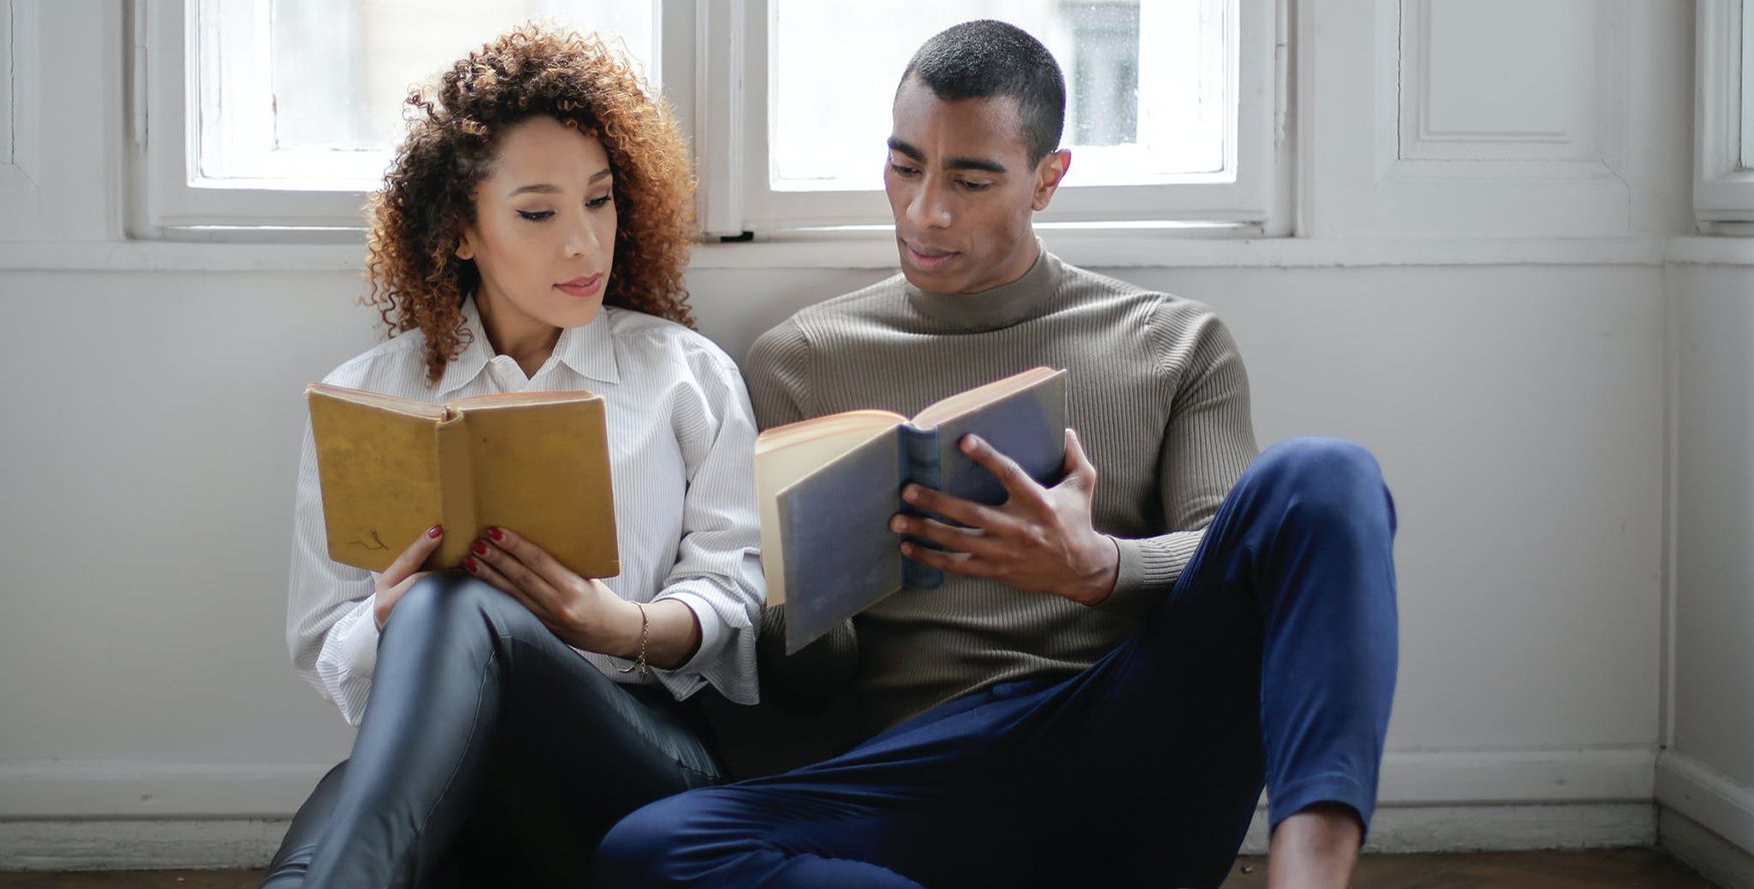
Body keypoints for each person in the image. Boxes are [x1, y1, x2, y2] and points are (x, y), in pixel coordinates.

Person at [594, 20, 1398, 889]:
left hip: (1127, 734)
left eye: (971, 179)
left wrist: (1098, 567)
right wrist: (820, 590)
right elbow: (803, 688)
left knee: (1327, 474)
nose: (925, 211)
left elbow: (1240, 551)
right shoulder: (800, 361)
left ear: (1048, 180)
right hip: (922, 773)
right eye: (905, 166)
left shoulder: (1173, 343)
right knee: (652, 850)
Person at [264, 26, 764, 887]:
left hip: (640, 764)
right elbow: (324, 643)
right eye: (539, 212)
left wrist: (620, 626)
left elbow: (740, 598)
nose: (583, 243)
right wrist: (387, 613)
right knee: (334, 829)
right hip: (451, 763)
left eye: (599, 201)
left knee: (453, 613)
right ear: (462, 231)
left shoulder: (688, 375)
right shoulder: (369, 396)